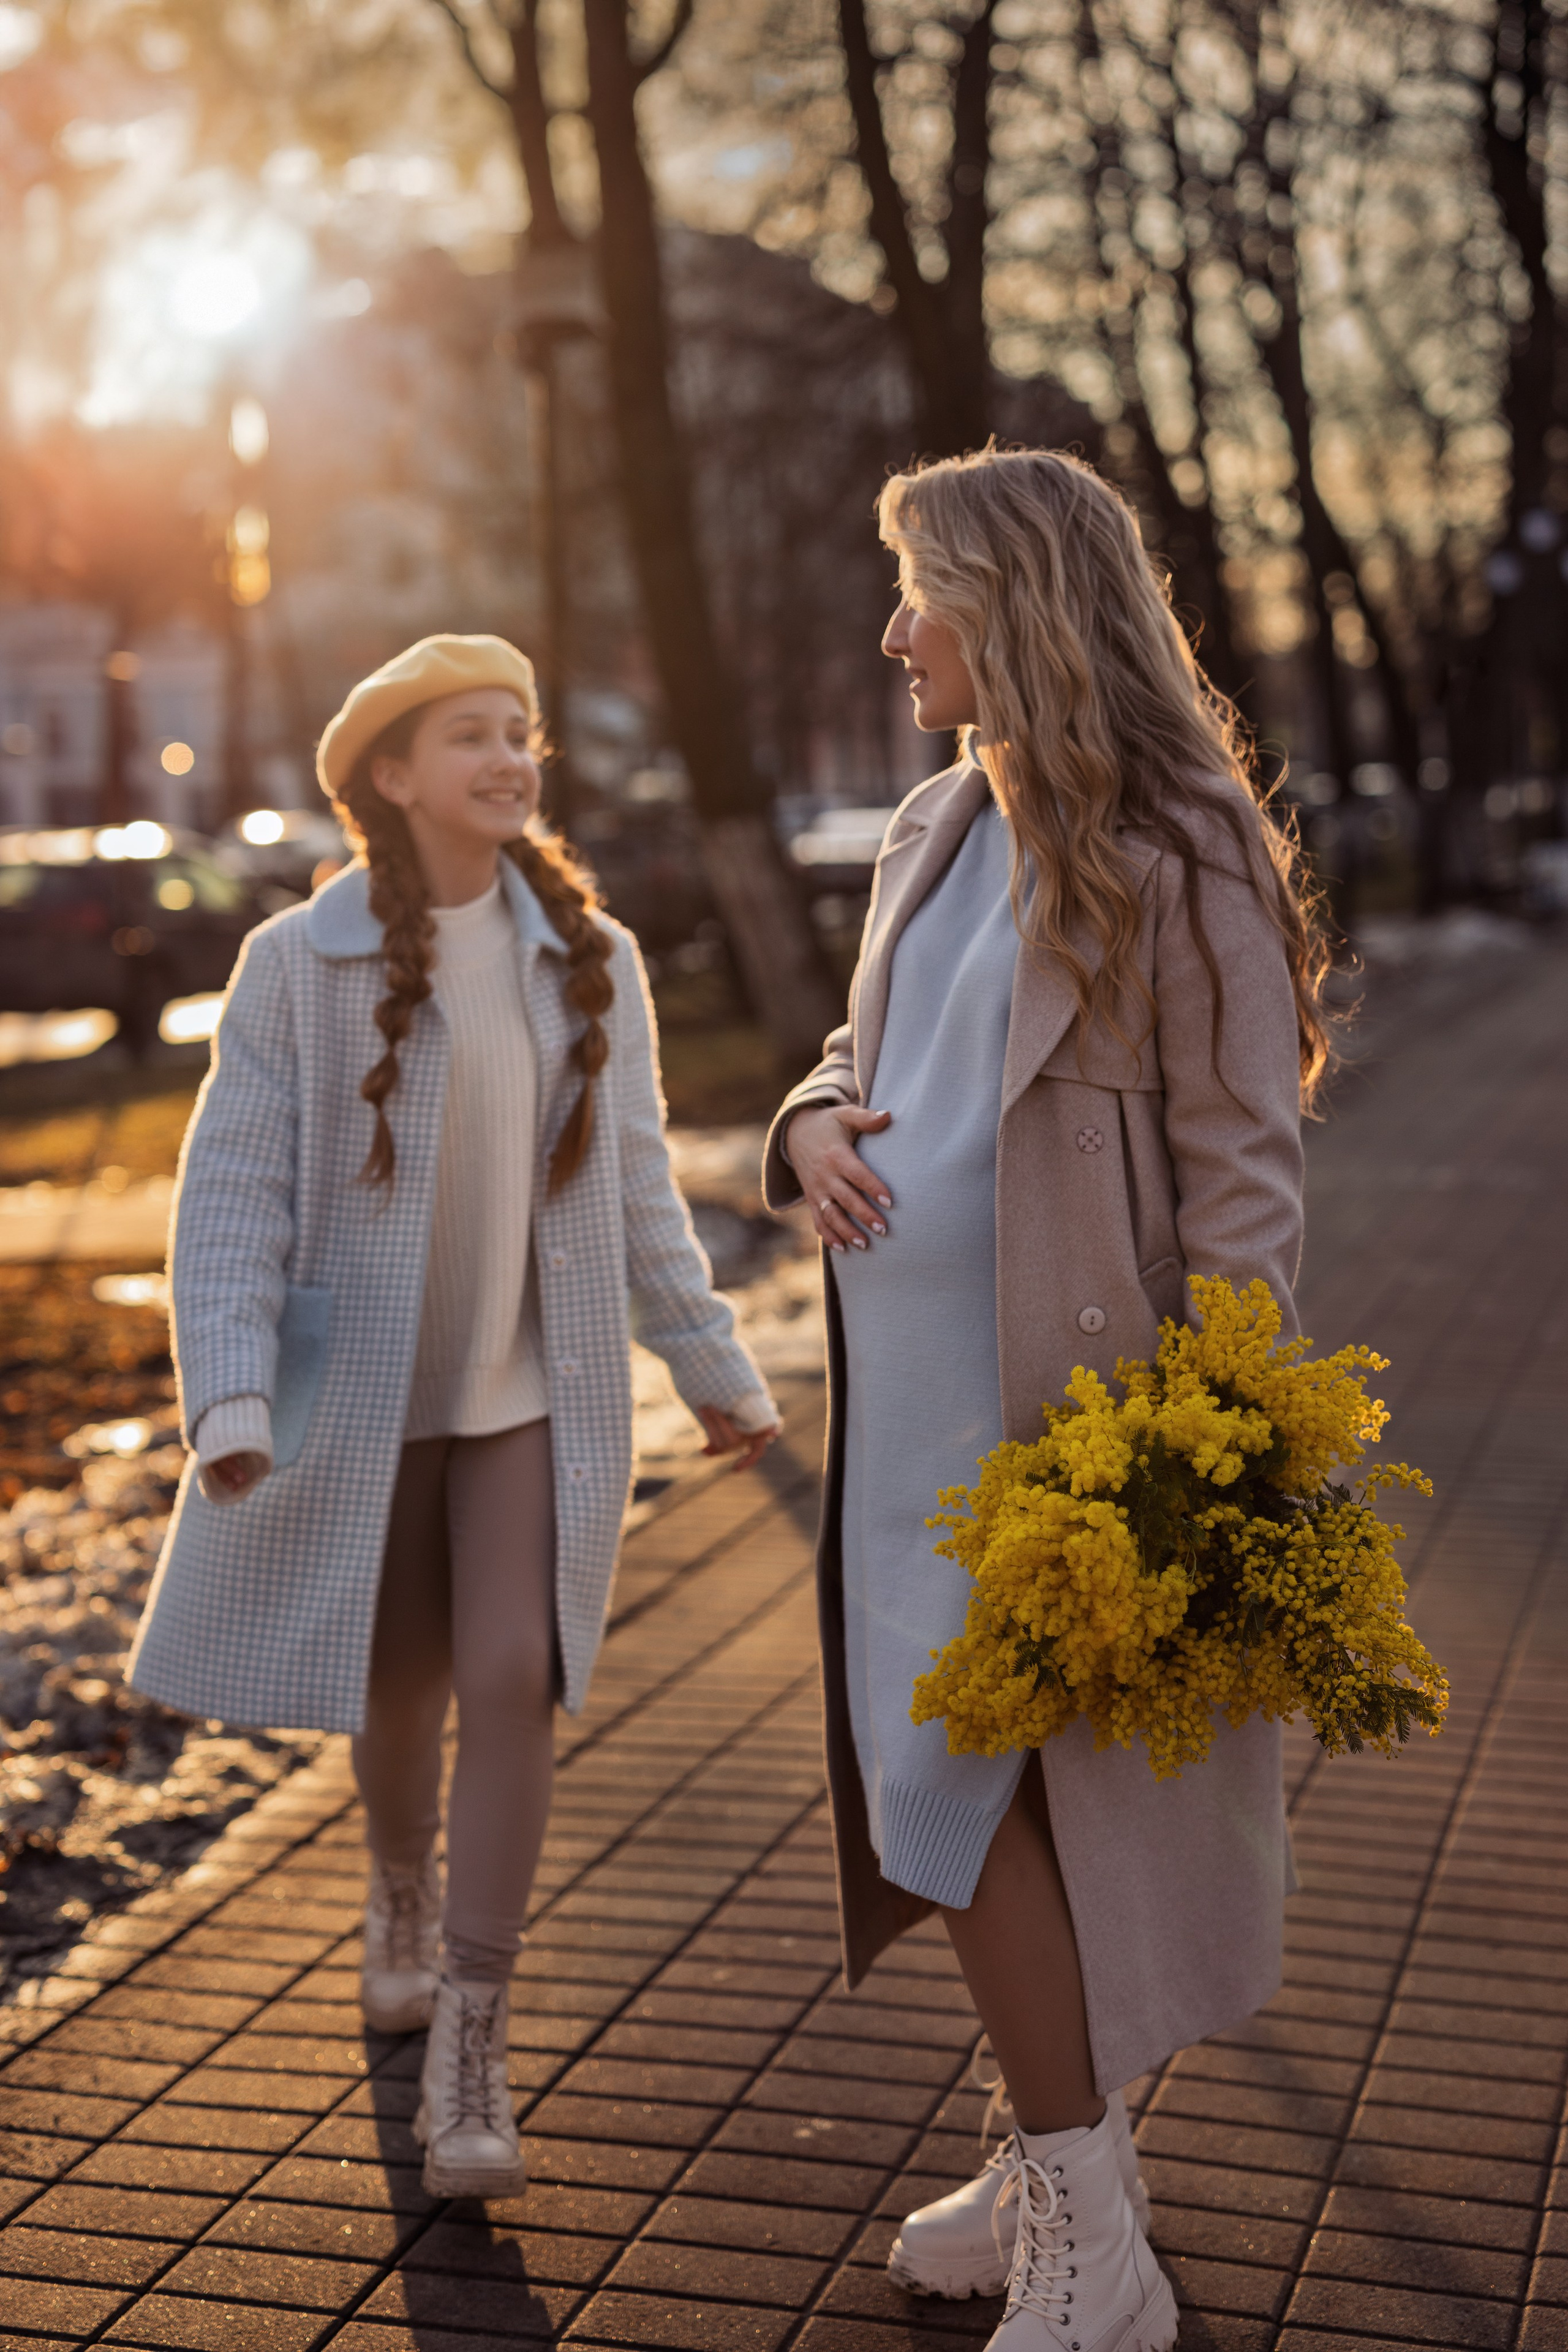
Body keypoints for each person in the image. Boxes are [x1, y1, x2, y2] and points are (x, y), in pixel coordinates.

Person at [764, 448, 1329, 2352]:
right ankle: (1053, 2162)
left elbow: (1244, 1172)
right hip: (905, 1414)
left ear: (1014, 603)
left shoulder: (1182, 840)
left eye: (920, 591)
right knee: (955, 1792)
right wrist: (808, 1122)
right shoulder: (936, 823)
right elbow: (866, 1046)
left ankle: (1096, 2243)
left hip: (1073, 1420)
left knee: (970, 1785)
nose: (895, 633)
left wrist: (1215, 1451)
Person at [131, 634, 780, 2201]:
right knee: (399, 1688)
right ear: (393, 774)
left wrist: (711, 1367)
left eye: (521, 732)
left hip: (524, 1395)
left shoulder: (590, 958)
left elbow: (635, 1192)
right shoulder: (296, 964)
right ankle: (399, 1890)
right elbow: (231, 1195)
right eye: (472, 736)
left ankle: (474, 2043)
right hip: (360, 1406)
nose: (508, 759)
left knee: (511, 1672)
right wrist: (228, 1390)